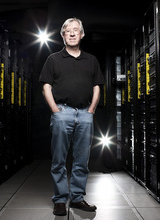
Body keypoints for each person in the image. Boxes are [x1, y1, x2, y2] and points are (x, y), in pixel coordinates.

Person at [39, 17, 105, 216]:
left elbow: (97, 87)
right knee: (59, 159)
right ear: (63, 35)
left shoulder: (91, 60)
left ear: (82, 34)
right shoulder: (53, 59)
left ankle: (76, 198)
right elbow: (46, 86)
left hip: (85, 113)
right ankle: (60, 200)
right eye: (69, 30)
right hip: (62, 112)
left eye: (76, 30)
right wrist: (55, 110)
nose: (73, 33)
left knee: (81, 159)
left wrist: (91, 110)